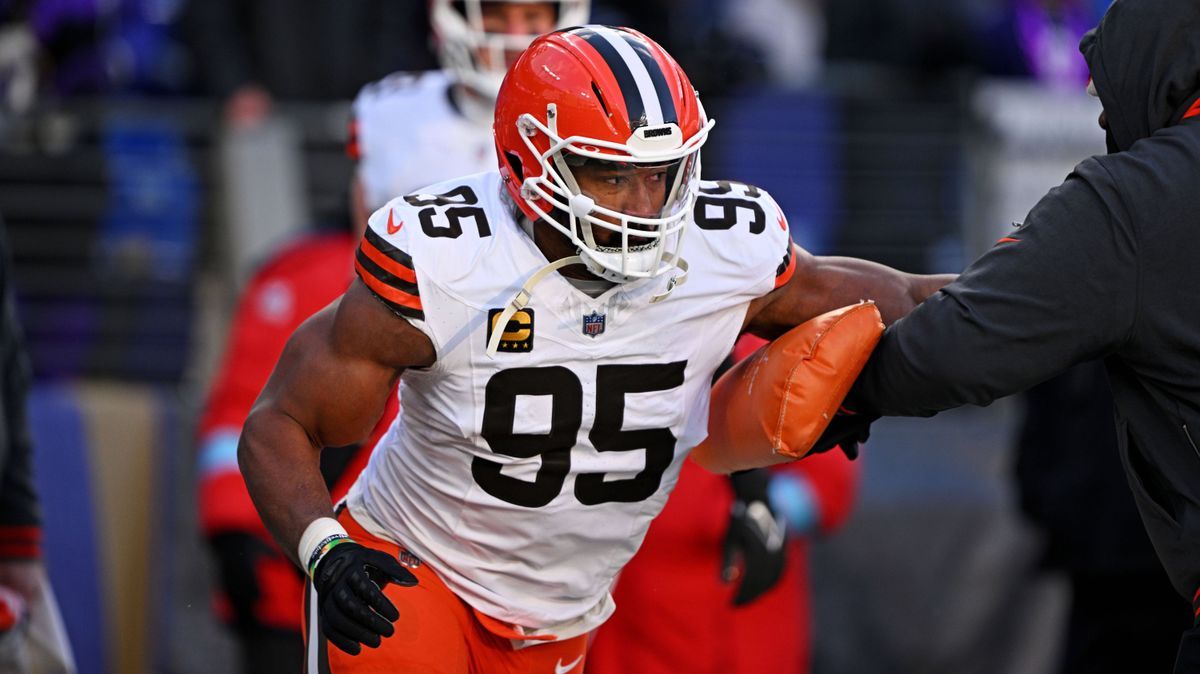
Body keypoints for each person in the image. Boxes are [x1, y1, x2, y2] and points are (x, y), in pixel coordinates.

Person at [238, 25, 951, 673]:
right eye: (611, 173)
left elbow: (914, 302)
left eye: (662, 172)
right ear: (530, 162)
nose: (646, 205)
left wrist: (1047, 290)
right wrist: (323, 550)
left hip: (560, 614)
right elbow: (280, 424)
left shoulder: (725, 251)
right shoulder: (444, 264)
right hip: (414, 568)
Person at [195, 3, 586, 672]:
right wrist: (252, 531)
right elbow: (263, 418)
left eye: (533, 14)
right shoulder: (324, 268)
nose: (515, 32)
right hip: (413, 449)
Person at [830, 1, 1200, 670]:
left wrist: (847, 391)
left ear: (1156, 63)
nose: (1102, 115)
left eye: (1106, 86)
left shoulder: (1136, 199)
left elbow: (948, 350)